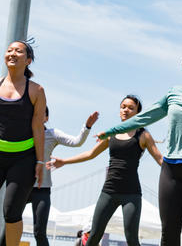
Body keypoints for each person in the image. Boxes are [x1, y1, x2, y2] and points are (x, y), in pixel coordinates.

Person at [96, 44, 182, 246]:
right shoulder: (174, 92)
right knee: (168, 232)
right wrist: (113, 130)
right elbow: (145, 116)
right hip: (171, 168)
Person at [47, 95, 162, 246]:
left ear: (137, 113)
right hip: (109, 191)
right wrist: (64, 161)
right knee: (94, 234)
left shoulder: (143, 135)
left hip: (131, 193)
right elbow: (90, 154)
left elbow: (161, 160)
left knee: (132, 238)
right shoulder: (111, 134)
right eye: (123, 107)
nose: (126, 110)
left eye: (131, 108)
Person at [24, 108, 98, 246]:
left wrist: (87, 126)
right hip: (21, 186)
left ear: (46, 118)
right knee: (8, 224)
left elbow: (77, 142)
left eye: (40, 115)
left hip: (42, 188)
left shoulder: (52, 134)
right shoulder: (22, 134)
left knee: (39, 232)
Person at [0, 40, 46, 246]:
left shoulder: (36, 90)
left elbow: (38, 127)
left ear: (28, 60)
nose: (12, 53)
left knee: (11, 212)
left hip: (23, 158)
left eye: (18, 51)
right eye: (9, 50)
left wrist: (40, 162)